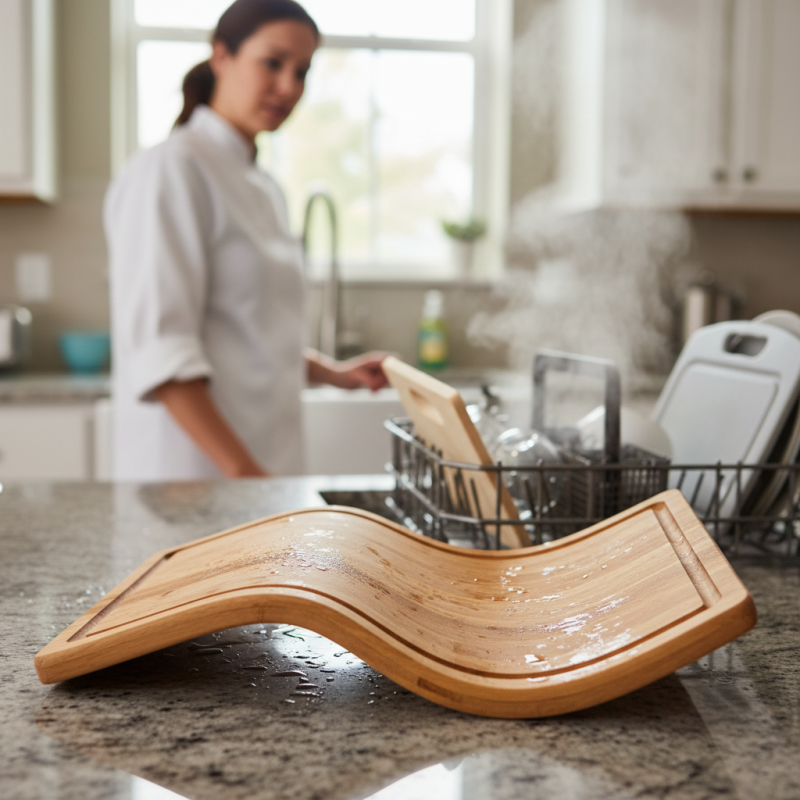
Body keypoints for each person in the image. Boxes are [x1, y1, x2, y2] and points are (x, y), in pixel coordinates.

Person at [106, 0, 387, 481]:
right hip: (195, 478)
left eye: (302, 71)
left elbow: (250, 334)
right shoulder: (172, 169)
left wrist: (336, 375)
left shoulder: (263, 185)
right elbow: (164, 351)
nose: (289, 87)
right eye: (272, 63)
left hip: (260, 474)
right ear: (221, 56)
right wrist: (248, 477)